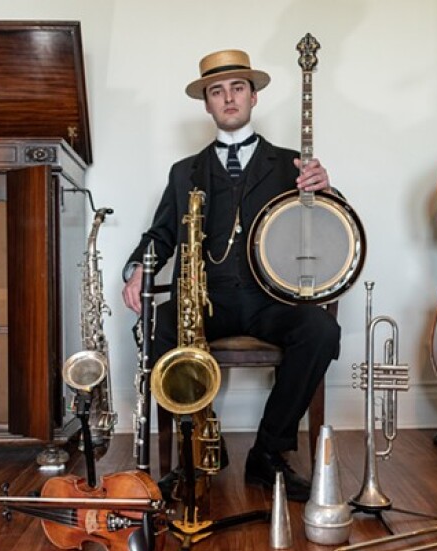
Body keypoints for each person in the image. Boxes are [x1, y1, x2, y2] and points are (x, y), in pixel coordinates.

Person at [121, 49, 341, 503]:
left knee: (320, 330)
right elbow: (161, 234)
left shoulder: (292, 164)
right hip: (208, 300)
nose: (228, 98)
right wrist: (139, 268)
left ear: (253, 97)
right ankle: (204, 443)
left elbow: (327, 229)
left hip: (271, 298)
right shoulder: (183, 172)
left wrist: (327, 189)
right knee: (156, 328)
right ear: (207, 105)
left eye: (237, 88)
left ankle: (268, 452)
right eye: (217, 91)